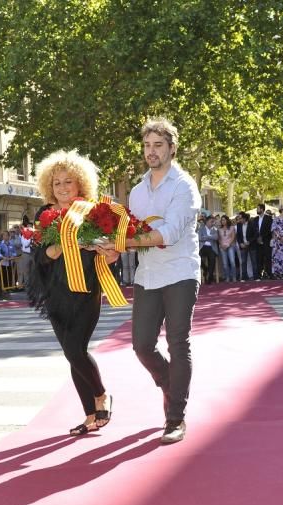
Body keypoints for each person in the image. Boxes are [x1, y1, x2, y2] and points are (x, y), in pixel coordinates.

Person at [117, 117, 200, 444]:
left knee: (178, 342)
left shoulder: (184, 186)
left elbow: (170, 232)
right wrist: (112, 246)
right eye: (147, 145)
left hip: (180, 271)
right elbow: (133, 232)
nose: (151, 151)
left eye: (158, 145)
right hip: (147, 275)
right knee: (141, 346)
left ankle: (175, 417)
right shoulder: (137, 191)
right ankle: (170, 382)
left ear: (172, 148)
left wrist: (127, 243)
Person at [28, 149, 116, 436]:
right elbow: (42, 256)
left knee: (76, 349)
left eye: (68, 182)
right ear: (48, 187)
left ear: (81, 183)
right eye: (57, 183)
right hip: (55, 293)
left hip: (86, 290)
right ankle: (90, 415)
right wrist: (71, 243)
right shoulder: (45, 214)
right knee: (71, 353)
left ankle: (101, 395)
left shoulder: (94, 212)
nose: (63, 188)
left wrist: (105, 249)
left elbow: (112, 253)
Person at [248, 203, 272, 279]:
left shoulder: (269, 218)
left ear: (262, 209)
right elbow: (253, 230)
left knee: (267, 258)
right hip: (257, 243)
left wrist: (262, 237)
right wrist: (257, 238)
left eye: (258, 208)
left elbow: (270, 230)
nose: (257, 210)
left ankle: (269, 274)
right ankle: (259, 274)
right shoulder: (255, 219)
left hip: (266, 241)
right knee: (259, 259)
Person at [217, 215, 237, 283]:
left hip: (230, 246)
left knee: (232, 261)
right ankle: (227, 277)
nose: (223, 221)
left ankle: (234, 277)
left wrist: (228, 245)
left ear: (227, 220)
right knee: (225, 263)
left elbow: (233, 237)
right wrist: (221, 245)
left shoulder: (232, 227)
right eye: (222, 220)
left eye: (224, 220)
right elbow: (219, 238)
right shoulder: (219, 229)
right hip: (222, 247)